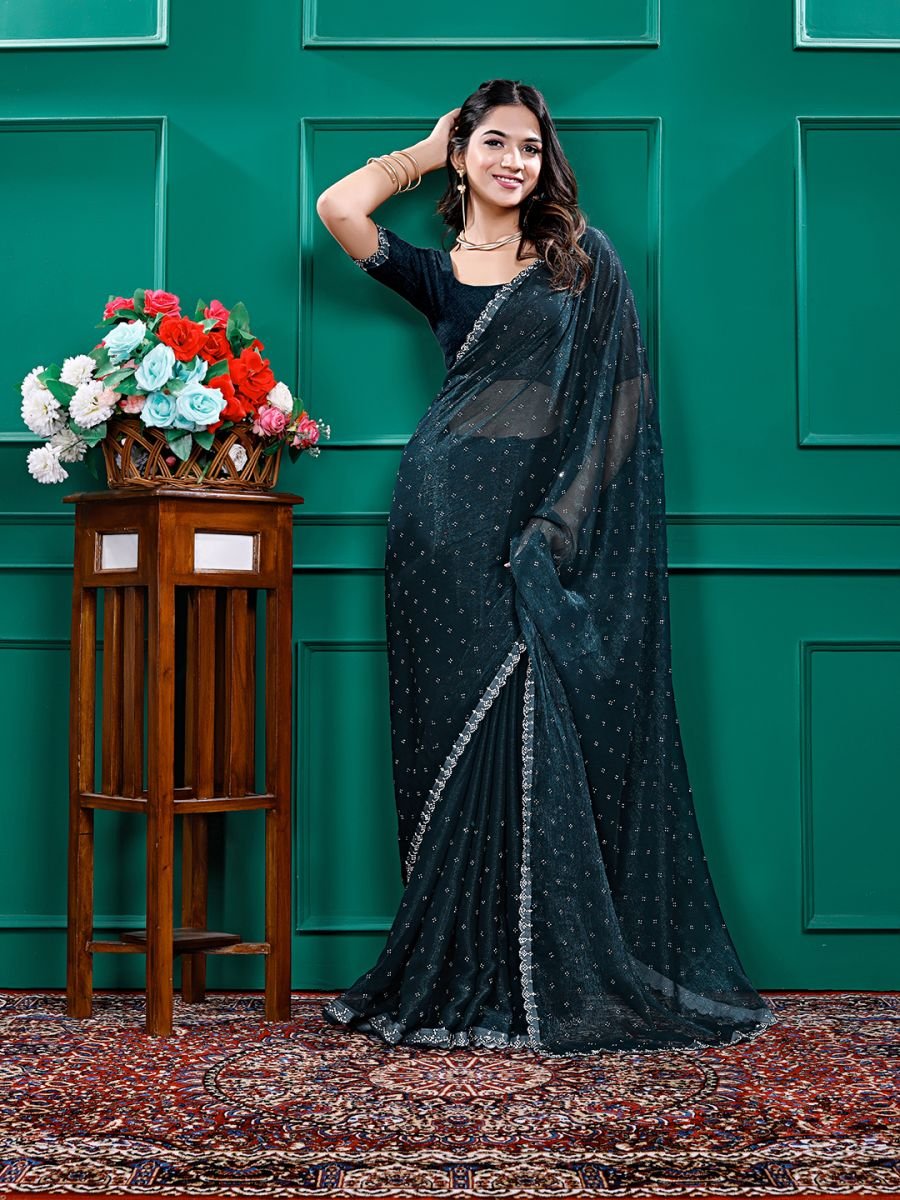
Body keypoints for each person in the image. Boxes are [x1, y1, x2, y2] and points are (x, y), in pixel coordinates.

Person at [314, 79, 778, 1056]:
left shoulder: (580, 262)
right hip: (437, 521)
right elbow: (338, 208)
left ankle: (542, 976)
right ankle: (461, 967)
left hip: (529, 531)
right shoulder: (437, 272)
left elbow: (623, 406)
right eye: (494, 143)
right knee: (448, 742)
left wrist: (559, 523)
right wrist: (422, 150)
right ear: (465, 153)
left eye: (529, 147)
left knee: (531, 735)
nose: (513, 162)